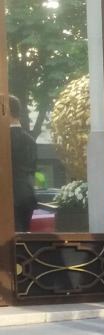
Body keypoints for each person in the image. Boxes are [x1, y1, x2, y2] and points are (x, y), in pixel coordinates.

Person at [9, 95, 37, 232]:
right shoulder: (31, 140)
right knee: (21, 240)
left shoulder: (4, 139)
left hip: (7, 196)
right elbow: (32, 169)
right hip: (27, 195)